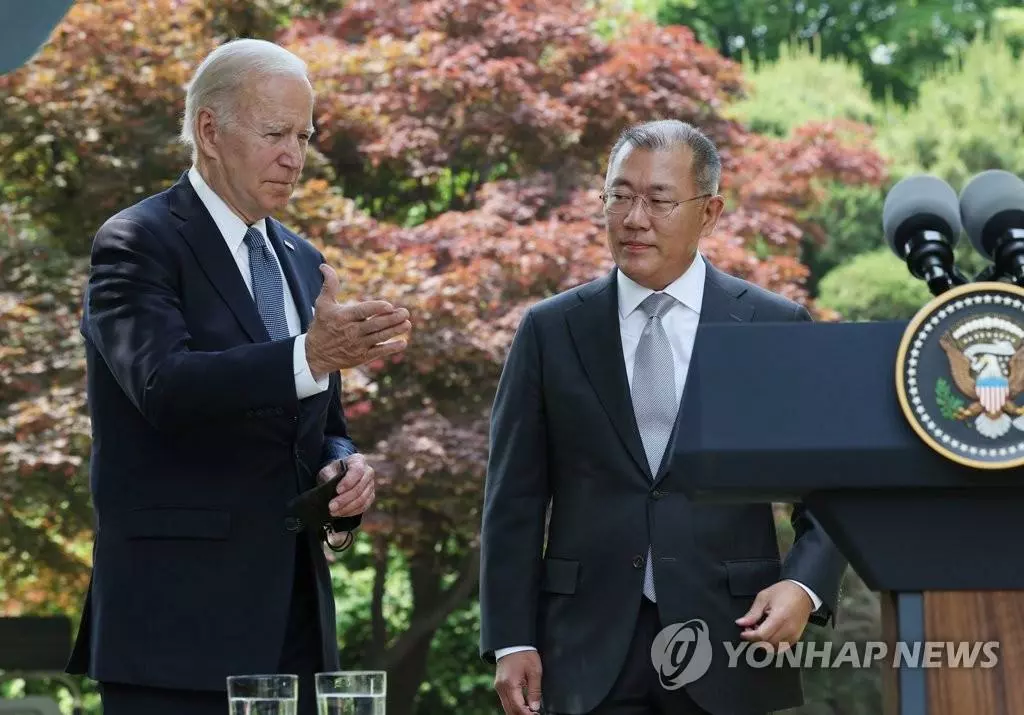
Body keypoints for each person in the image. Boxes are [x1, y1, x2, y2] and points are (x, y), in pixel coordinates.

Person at [65, 39, 411, 715]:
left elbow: (319, 427)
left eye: (304, 135)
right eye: (275, 132)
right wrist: (309, 357)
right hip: (174, 635)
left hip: (294, 627)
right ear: (209, 130)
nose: (295, 155)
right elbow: (164, 386)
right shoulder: (136, 241)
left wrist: (343, 474)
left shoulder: (304, 259)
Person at [479, 120, 847, 715]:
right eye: (619, 196)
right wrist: (510, 637)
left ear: (709, 213)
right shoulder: (550, 330)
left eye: (657, 200)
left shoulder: (773, 327)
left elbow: (830, 488)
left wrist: (804, 586)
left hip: (733, 638)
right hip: (582, 648)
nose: (633, 217)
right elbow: (513, 499)